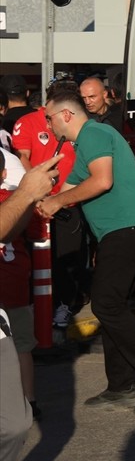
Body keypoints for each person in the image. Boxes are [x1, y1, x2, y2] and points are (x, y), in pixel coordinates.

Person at [34, 89, 135, 416]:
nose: (49, 126)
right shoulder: (86, 145)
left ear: (67, 115)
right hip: (123, 231)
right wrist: (40, 198)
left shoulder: (94, 133)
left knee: (106, 303)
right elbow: (69, 190)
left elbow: (102, 182)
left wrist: (55, 202)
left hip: (130, 228)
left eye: (50, 118)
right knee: (112, 303)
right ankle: (122, 385)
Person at [13, 79, 89, 329]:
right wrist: (36, 187)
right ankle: (40, 303)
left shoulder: (81, 122)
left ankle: (64, 304)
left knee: (68, 258)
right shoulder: (27, 122)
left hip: (69, 201)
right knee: (37, 257)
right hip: (38, 202)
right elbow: (22, 156)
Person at [0, 151, 40, 421]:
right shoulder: (16, 200)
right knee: (22, 346)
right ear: (4, 175)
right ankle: (29, 400)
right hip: (15, 285)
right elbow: (37, 235)